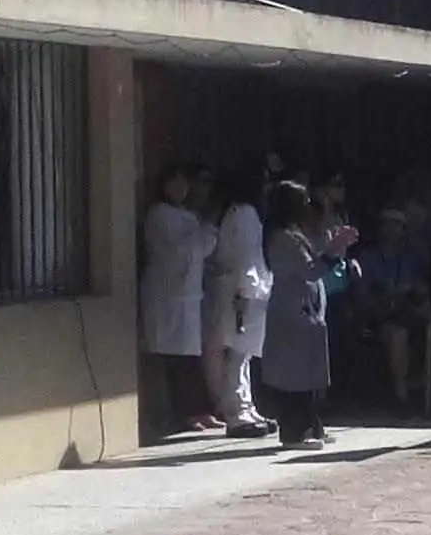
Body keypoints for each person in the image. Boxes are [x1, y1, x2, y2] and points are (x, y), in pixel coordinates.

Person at [263, 181, 355, 449]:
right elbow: (310, 270)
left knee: (307, 374)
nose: (308, 207)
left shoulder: (295, 234)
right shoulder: (282, 238)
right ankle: (293, 433)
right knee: (293, 375)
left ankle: (312, 426)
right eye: (302, 202)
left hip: (304, 310)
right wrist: (334, 250)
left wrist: (334, 243)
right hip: (292, 311)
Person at [142, 163, 220, 436]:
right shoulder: (158, 214)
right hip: (167, 294)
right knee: (170, 358)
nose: (180, 188)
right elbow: (179, 250)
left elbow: (204, 248)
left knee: (190, 356)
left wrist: (208, 231)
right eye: (174, 182)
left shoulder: (191, 215)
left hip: (189, 294)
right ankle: (179, 414)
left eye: (183, 183)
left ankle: (197, 410)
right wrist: (205, 232)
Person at [200, 169, 273, 438]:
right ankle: (236, 411)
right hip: (240, 290)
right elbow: (245, 255)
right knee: (236, 352)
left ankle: (246, 406)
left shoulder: (234, 212)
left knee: (243, 353)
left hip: (237, 287)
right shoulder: (244, 213)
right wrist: (245, 290)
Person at [356, 209, 430, 407]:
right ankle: (400, 395)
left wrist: (414, 291)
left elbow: (420, 288)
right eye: (388, 224)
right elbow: (361, 293)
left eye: (397, 225)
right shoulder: (368, 257)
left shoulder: (410, 258)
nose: (392, 230)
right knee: (398, 336)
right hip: (378, 316)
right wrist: (384, 296)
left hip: (407, 312)